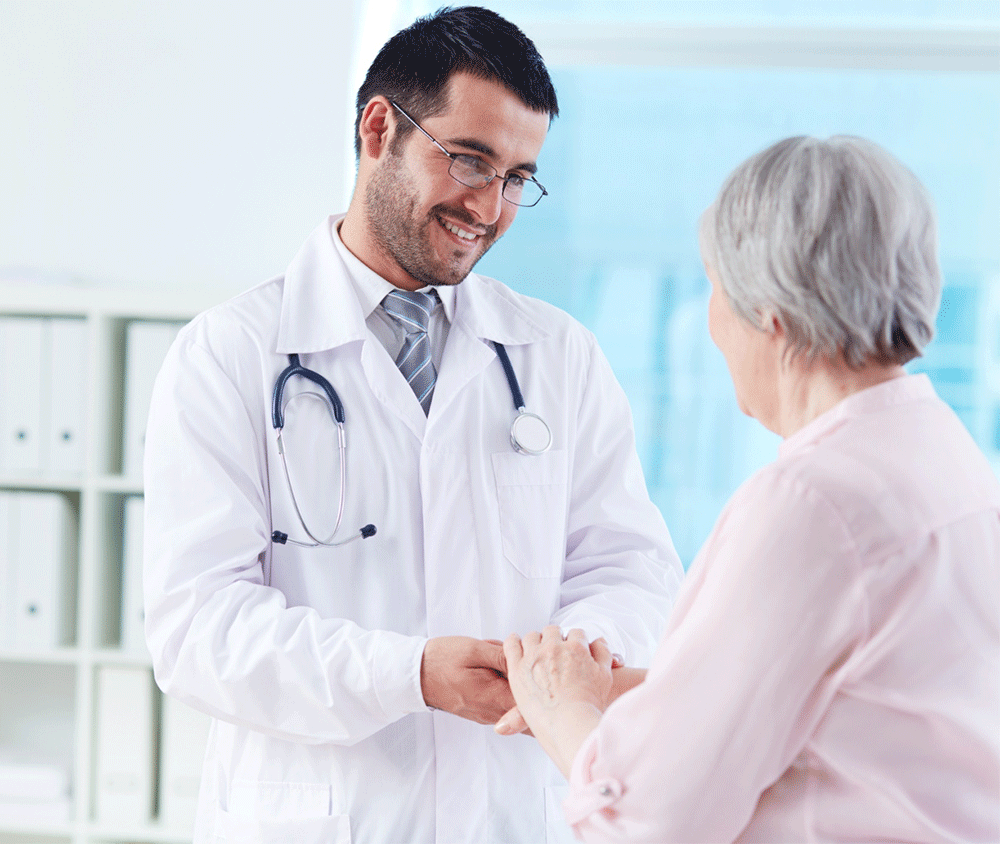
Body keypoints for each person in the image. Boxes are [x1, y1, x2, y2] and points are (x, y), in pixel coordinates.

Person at [142, 6, 681, 843]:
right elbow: (199, 629)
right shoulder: (229, 355)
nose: (489, 206)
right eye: (470, 160)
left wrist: (567, 663)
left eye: (517, 178)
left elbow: (632, 568)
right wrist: (410, 675)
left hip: (513, 815)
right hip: (324, 816)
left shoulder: (557, 355)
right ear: (378, 128)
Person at [500, 135, 1000, 842]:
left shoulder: (812, 504)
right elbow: (855, 707)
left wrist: (561, 707)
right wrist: (634, 692)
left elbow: (646, 822)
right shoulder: (942, 454)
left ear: (769, 310)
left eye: (714, 287)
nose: (710, 323)